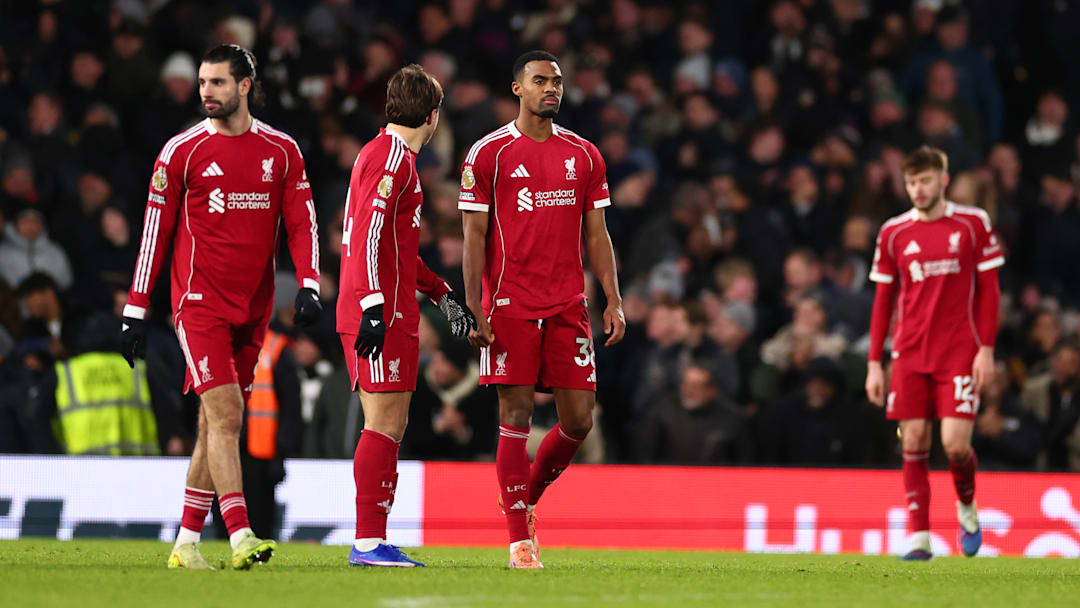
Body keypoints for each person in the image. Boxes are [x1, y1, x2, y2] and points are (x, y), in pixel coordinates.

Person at [118, 45, 323, 570]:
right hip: (197, 304)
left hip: (252, 311)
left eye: (217, 83)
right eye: (203, 82)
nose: (205, 91)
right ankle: (239, 535)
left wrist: (309, 283)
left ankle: (186, 543)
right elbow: (154, 233)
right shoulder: (180, 151)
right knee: (229, 413)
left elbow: (302, 221)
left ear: (245, 86)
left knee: (215, 425)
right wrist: (136, 309)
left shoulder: (281, 151)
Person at [459, 50, 626, 568]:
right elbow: (473, 235)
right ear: (517, 89)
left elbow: (596, 234)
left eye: (556, 81)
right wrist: (472, 305)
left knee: (579, 421)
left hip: (567, 306)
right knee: (514, 415)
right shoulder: (488, 154)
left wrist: (614, 298)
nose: (551, 89)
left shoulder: (584, 154)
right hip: (510, 305)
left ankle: (525, 497)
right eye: (540, 81)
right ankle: (518, 540)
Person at [337, 64, 475, 568]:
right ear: (433, 115)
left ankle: (375, 539)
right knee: (382, 422)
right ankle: (368, 543)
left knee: (391, 424)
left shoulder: (381, 155)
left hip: (386, 306)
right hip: (379, 310)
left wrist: (442, 294)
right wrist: (373, 306)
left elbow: (393, 246)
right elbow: (369, 239)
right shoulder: (394, 161)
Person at [864, 146, 1003, 561]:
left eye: (924, 180)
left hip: (960, 351)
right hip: (909, 352)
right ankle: (919, 537)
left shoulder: (973, 224)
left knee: (956, 445)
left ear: (943, 179)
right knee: (915, 439)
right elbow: (882, 302)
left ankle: (966, 504)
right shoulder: (893, 233)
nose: (917, 189)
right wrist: (875, 362)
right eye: (910, 182)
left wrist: (987, 350)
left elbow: (990, 292)